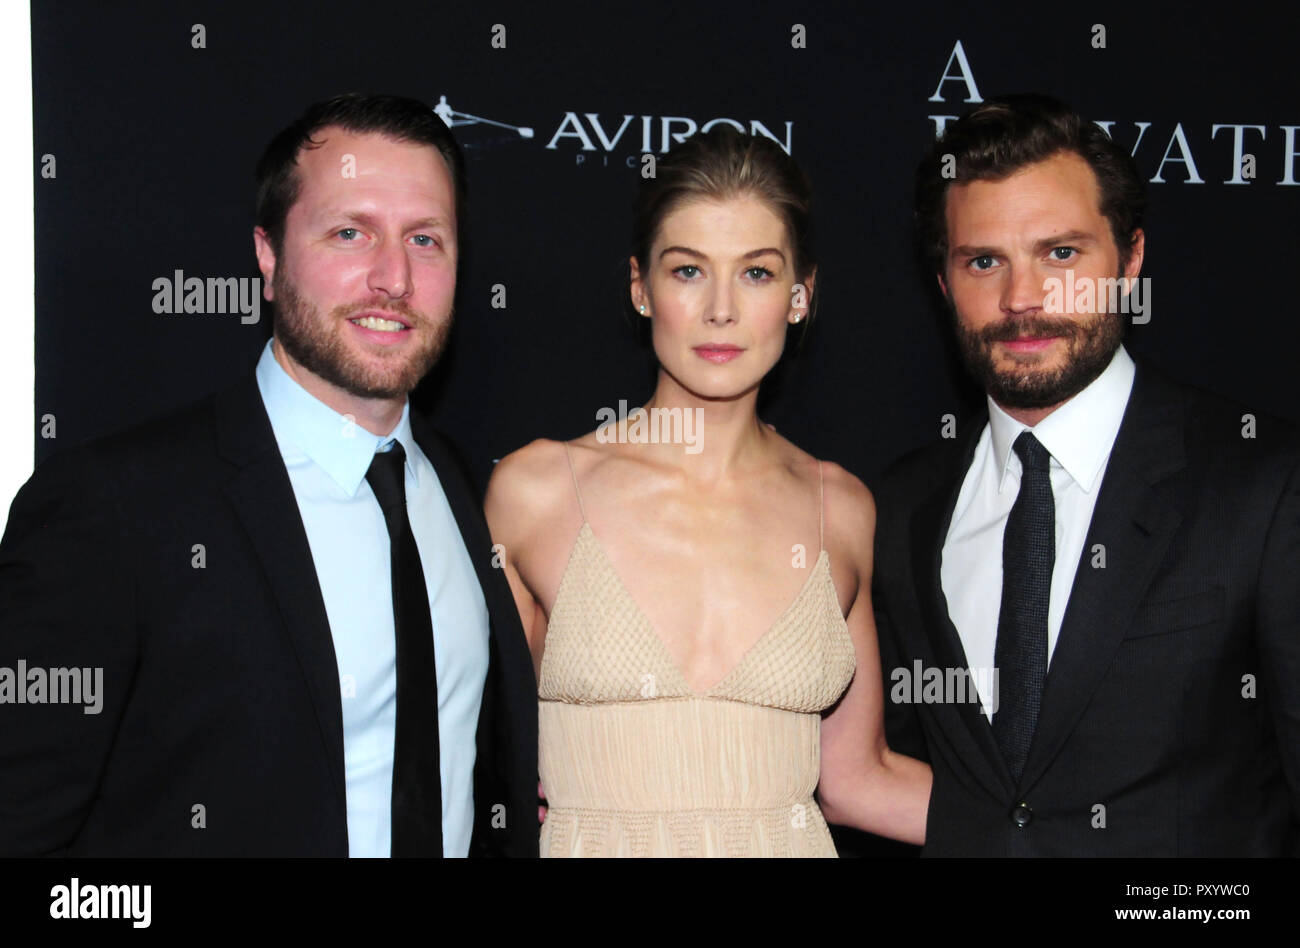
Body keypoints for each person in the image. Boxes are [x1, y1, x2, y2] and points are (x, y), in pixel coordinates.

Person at [0, 93, 537, 857]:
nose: (393, 277)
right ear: (267, 254)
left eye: (426, 238)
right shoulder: (113, 509)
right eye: (350, 232)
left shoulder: (459, 487)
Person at [872, 93, 1300, 856]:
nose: (1022, 300)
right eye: (983, 261)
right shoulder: (904, 508)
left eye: (1061, 254)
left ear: (1131, 259)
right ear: (943, 283)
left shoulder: (1263, 483)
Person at [485, 126, 931, 857]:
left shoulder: (840, 507)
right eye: (688, 271)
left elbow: (859, 781)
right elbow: (467, 749)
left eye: (756, 273)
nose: (721, 309)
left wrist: (1078, 832)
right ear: (640, 286)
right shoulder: (538, 491)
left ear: (800, 294)